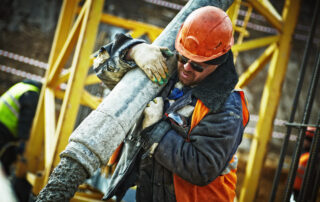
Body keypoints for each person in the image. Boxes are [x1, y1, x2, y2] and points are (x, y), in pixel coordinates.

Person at [36, 6, 249, 202]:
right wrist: (132, 51)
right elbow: (101, 64)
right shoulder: (170, 66)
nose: (185, 67)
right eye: (183, 57)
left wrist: (155, 130)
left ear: (217, 63)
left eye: (197, 66)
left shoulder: (227, 107)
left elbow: (202, 167)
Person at [0, 79, 42, 175]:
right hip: (4, 128)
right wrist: (23, 140)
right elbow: (25, 120)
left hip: (3, 125)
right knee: (5, 161)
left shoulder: (21, 86)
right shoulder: (32, 93)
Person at [291, 126, 317, 201]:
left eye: (305, 139)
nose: (303, 142)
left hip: (304, 191)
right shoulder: (303, 153)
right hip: (295, 188)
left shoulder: (311, 157)